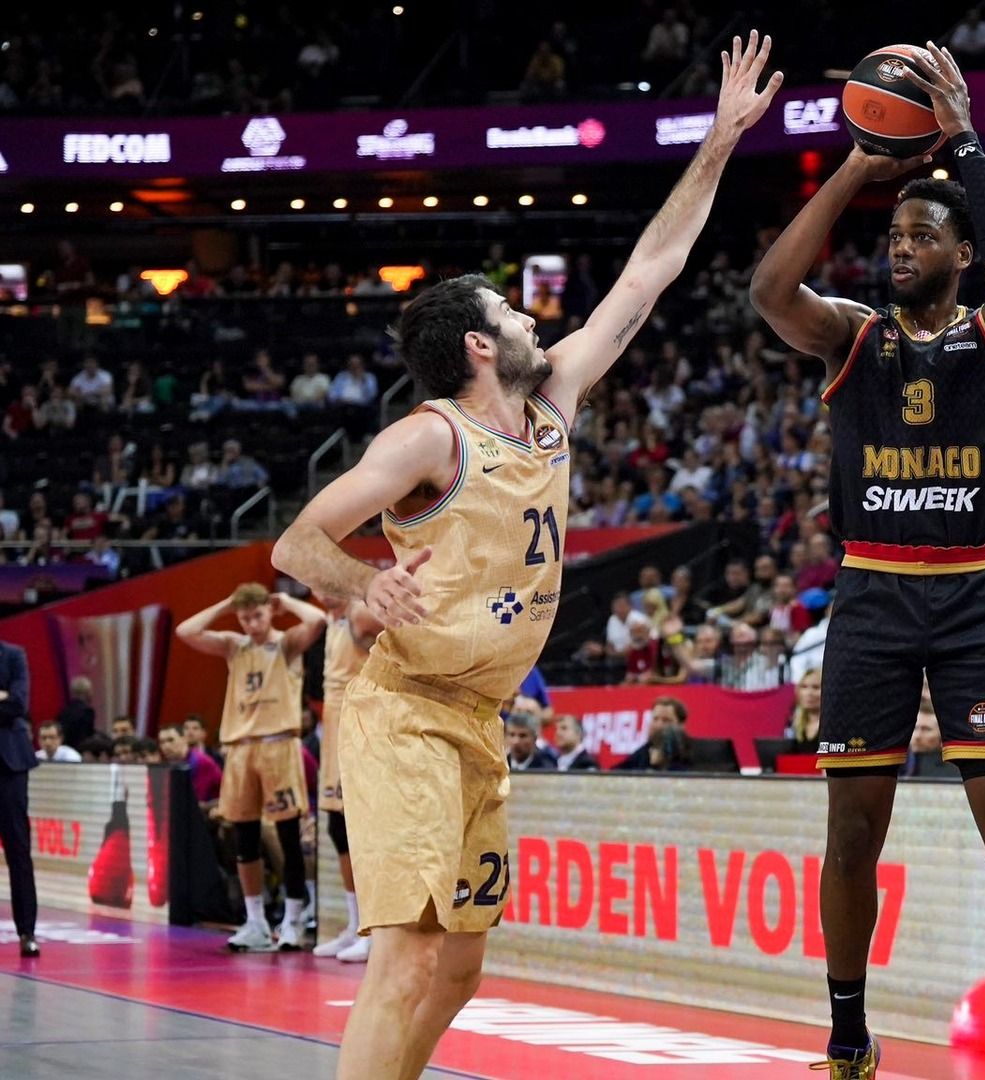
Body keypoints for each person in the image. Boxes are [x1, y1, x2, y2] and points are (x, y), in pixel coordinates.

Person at [269, 33, 781, 1078]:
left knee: (460, 968)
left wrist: (721, 140)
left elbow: (648, 274)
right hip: (404, 710)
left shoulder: (553, 402)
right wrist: (364, 580)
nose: (531, 315)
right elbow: (294, 540)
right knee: (407, 959)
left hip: (479, 716)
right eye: (510, 311)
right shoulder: (429, 438)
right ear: (477, 345)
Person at [749, 42, 985, 1078]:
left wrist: (964, 142)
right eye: (894, 235)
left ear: (962, 254)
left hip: (976, 597)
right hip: (874, 596)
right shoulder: (852, 335)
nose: (901, 247)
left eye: (923, 234)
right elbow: (769, 289)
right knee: (851, 835)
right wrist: (857, 166)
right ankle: (848, 1031)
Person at [175, 584, 328, 951]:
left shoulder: (286, 643)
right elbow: (185, 631)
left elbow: (318, 619)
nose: (251, 624)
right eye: (244, 618)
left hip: (279, 744)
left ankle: (293, 921)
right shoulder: (234, 646)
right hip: (240, 748)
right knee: (244, 837)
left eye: (257, 615)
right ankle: (255, 921)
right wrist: (225, 605)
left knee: (288, 837)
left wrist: (286, 601)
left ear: (269, 611)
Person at [312, 590, 380, 964]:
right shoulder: (331, 617)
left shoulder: (360, 612)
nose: (318, 590)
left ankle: (375, 931)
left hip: (361, 721)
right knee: (338, 829)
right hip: (335, 727)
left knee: (364, 832)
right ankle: (356, 926)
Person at [0, 640, 37, 956]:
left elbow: (18, 704)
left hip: (9, 764)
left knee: (18, 850)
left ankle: (27, 931)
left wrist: (8, 699)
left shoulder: (14, 655)